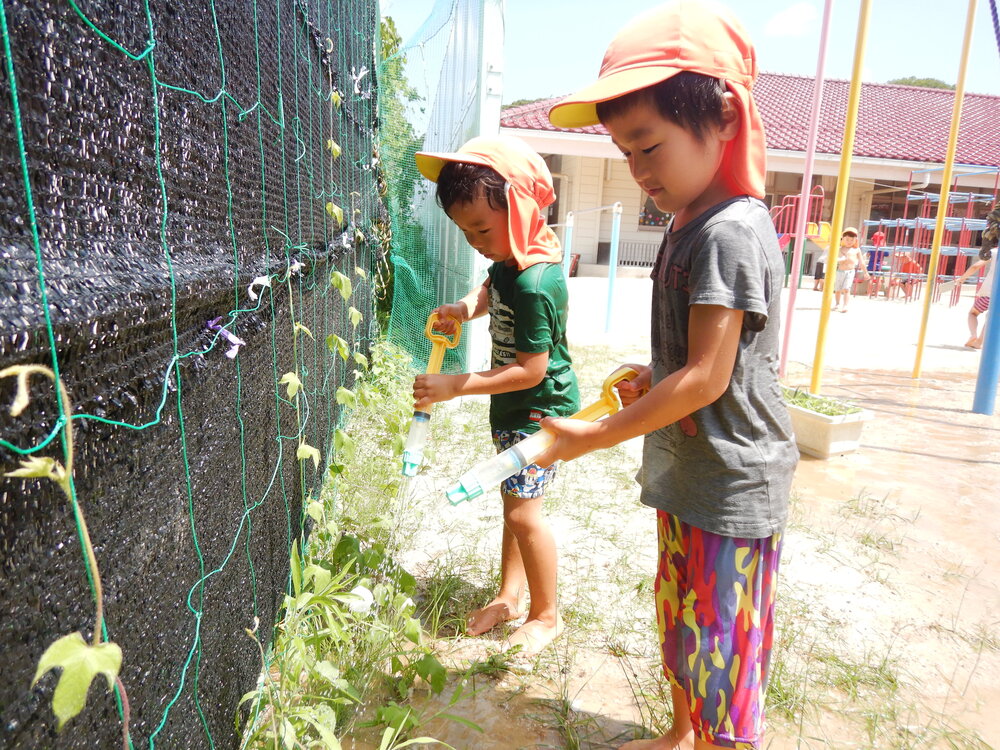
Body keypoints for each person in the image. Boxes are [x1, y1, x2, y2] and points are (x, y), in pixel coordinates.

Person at [545, 4, 798, 749]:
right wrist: (652, 372)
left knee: (724, 641)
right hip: (691, 471)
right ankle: (684, 733)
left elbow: (707, 380)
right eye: (625, 152)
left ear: (722, 116)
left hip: (731, 482)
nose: (639, 169)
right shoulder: (691, 220)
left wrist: (591, 437)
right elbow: (688, 363)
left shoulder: (730, 231)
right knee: (683, 616)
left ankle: (719, 739)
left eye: (648, 144)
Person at [410, 135, 580, 656]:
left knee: (525, 514)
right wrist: (464, 308)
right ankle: (509, 595)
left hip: (537, 414)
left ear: (523, 210)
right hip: (511, 409)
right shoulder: (509, 262)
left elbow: (531, 370)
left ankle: (546, 615)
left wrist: (456, 386)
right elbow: (489, 290)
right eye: (465, 231)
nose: (475, 241)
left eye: (482, 228)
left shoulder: (535, 282)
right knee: (514, 506)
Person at [833, 227, 868, 312]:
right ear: (843, 239)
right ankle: (837, 304)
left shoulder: (856, 250)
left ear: (855, 240)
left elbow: (861, 262)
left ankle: (845, 305)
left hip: (850, 271)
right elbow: (834, 259)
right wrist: (841, 259)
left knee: (846, 289)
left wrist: (865, 272)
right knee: (837, 290)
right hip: (840, 271)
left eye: (852, 240)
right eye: (847, 239)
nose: (849, 242)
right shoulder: (840, 249)